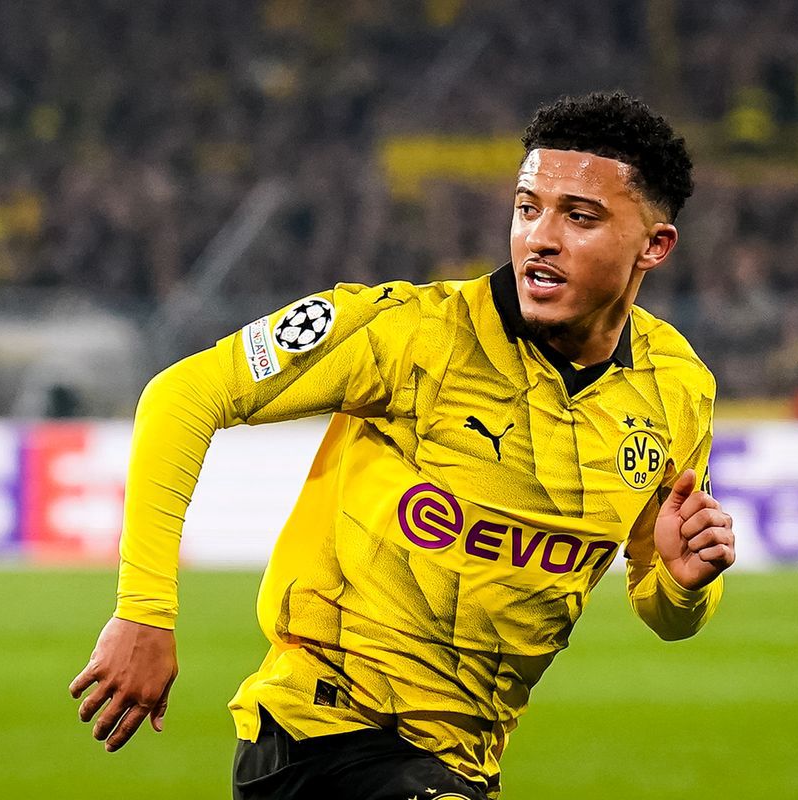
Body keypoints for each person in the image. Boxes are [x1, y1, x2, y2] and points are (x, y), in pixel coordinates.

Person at [70, 91, 736, 800]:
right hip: (319, 737)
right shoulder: (411, 335)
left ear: (654, 245)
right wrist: (145, 610)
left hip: (461, 764)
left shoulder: (676, 389)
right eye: (527, 208)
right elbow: (182, 394)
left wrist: (683, 583)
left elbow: (664, 610)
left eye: (580, 216)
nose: (540, 237)